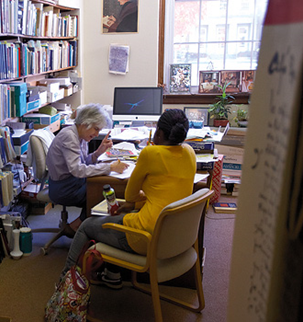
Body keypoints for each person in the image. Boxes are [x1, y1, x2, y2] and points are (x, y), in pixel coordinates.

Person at [60, 109, 197, 288]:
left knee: (88, 225)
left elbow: (130, 195)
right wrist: (142, 200)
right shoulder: (190, 152)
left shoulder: (150, 153)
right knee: (118, 217)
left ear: (160, 133)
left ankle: (65, 280)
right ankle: (112, 274)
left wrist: (135, 201)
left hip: (146, 238)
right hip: (177, 237)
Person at [46, 103, 129, 236]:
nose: (96, 134)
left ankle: (81, 225)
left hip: (73, 182)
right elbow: (78, 170)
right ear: (85, 123)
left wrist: (98, 152)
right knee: (98, 193)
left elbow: (84, 162)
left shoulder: (80, 136)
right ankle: (77, 226)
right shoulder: (69, 136)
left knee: (101, 187)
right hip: (63, 188)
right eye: (96, 129)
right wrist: (109, 167)